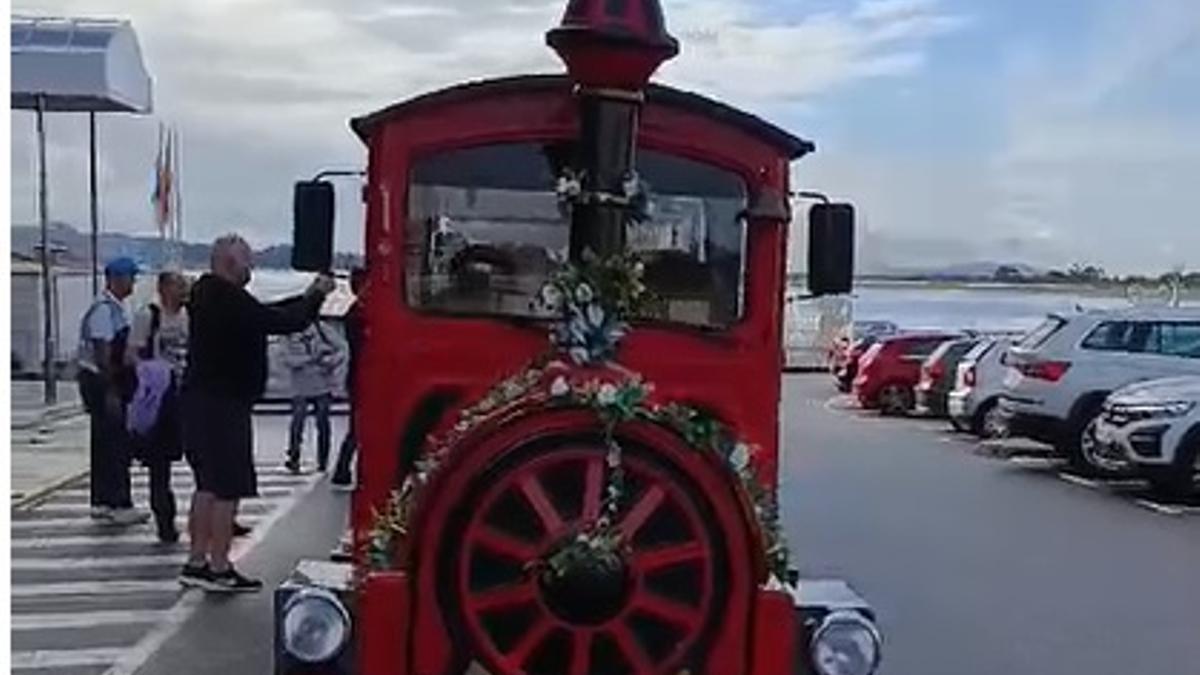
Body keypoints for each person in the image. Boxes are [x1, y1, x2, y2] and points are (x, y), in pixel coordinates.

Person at [180, 234, 334, 593]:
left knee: (205, 486)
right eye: (247, 261)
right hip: (223, 404)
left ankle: (197, 560)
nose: (251, 269)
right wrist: (316, 296)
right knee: (226, 487)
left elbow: (267, 311)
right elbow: (278, 321)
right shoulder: (226, 298)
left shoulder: (210, 295)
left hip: (201, 402)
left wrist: (307, 296)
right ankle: (219, 566)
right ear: (230, 264)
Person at [77, 257, 148, 526]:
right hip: (102, 382)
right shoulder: (104, 311)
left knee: (105, 442)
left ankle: (102, 501)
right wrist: (112, 389)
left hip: (102, 380)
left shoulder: (116, 309)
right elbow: (103, 352)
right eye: (131, 277)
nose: (134, 283)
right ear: (117, 279)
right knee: (115, 443)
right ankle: (118, 502)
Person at [126, 271, 190, 543]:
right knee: (159, 464)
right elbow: (131, 352)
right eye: (178, 285)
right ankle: (165, 519)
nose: (183, 290)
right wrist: (149, 374)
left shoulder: (191, 316)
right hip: (161, 395)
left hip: (188, 390)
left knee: (202, 455)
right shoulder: (148, 316)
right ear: (163, 288)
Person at [283, 321, 344, 474]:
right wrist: (311, 359)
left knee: (323, 423)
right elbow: (287, 359)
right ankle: (294, 455)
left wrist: (329, 362)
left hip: (322, 384)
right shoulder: (290, 331)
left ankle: (323, 459)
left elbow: (341, 349)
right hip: (300, 386)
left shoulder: (322, 329)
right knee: (298, 421)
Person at [331, 267, 367, 488]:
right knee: (358, 427)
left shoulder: (353, 312)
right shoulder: (358, 313)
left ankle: (343, 469)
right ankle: (343, 469)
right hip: (360, 375)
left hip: (355, 374)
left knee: (356, 427)